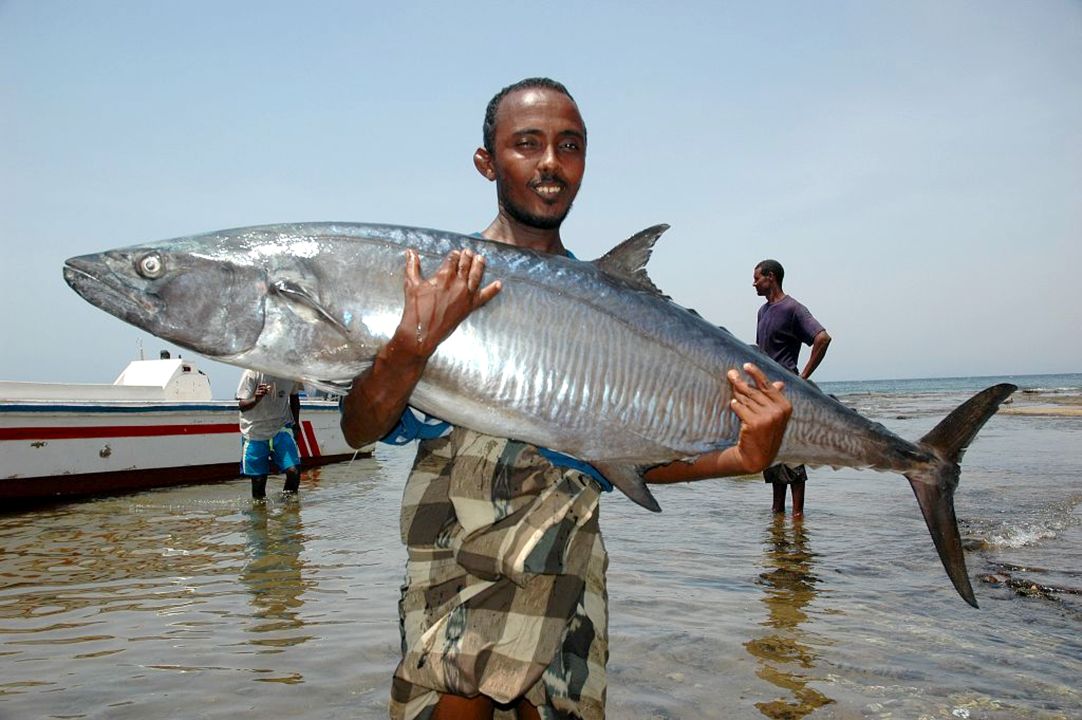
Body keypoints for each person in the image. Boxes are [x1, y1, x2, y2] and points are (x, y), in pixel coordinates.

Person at [340, 77, 793, 720]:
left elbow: (623, 459)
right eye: (528, 144)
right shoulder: (436, 285)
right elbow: (361, 427)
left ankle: (920, 464)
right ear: (487, 162)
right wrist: (408, 346)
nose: (551, 163)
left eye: (569, 145)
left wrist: (742, 457)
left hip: (569, 561)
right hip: (456, 559)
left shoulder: (613, 315)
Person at [752, 259, 831, 517]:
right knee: (772, 453)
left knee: (792, 455)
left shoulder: (793, 309)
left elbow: (822, 338)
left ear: (771, 277)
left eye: (757, 279)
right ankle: (777, 514)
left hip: (788, 391)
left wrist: (803, 377)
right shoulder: (762, 312)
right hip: (766, 392)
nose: (754, 284)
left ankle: (798, 518)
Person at [236, 369, 303, 499]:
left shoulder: (291, 373)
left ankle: (288, 509)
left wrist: (296, 424)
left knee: (293, 471)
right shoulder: (252, 373)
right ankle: (260, 514)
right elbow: (242, 405)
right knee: (259, 482)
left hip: (281, 427)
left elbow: (294, 399)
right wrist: (256, 398)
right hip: (255, 432)